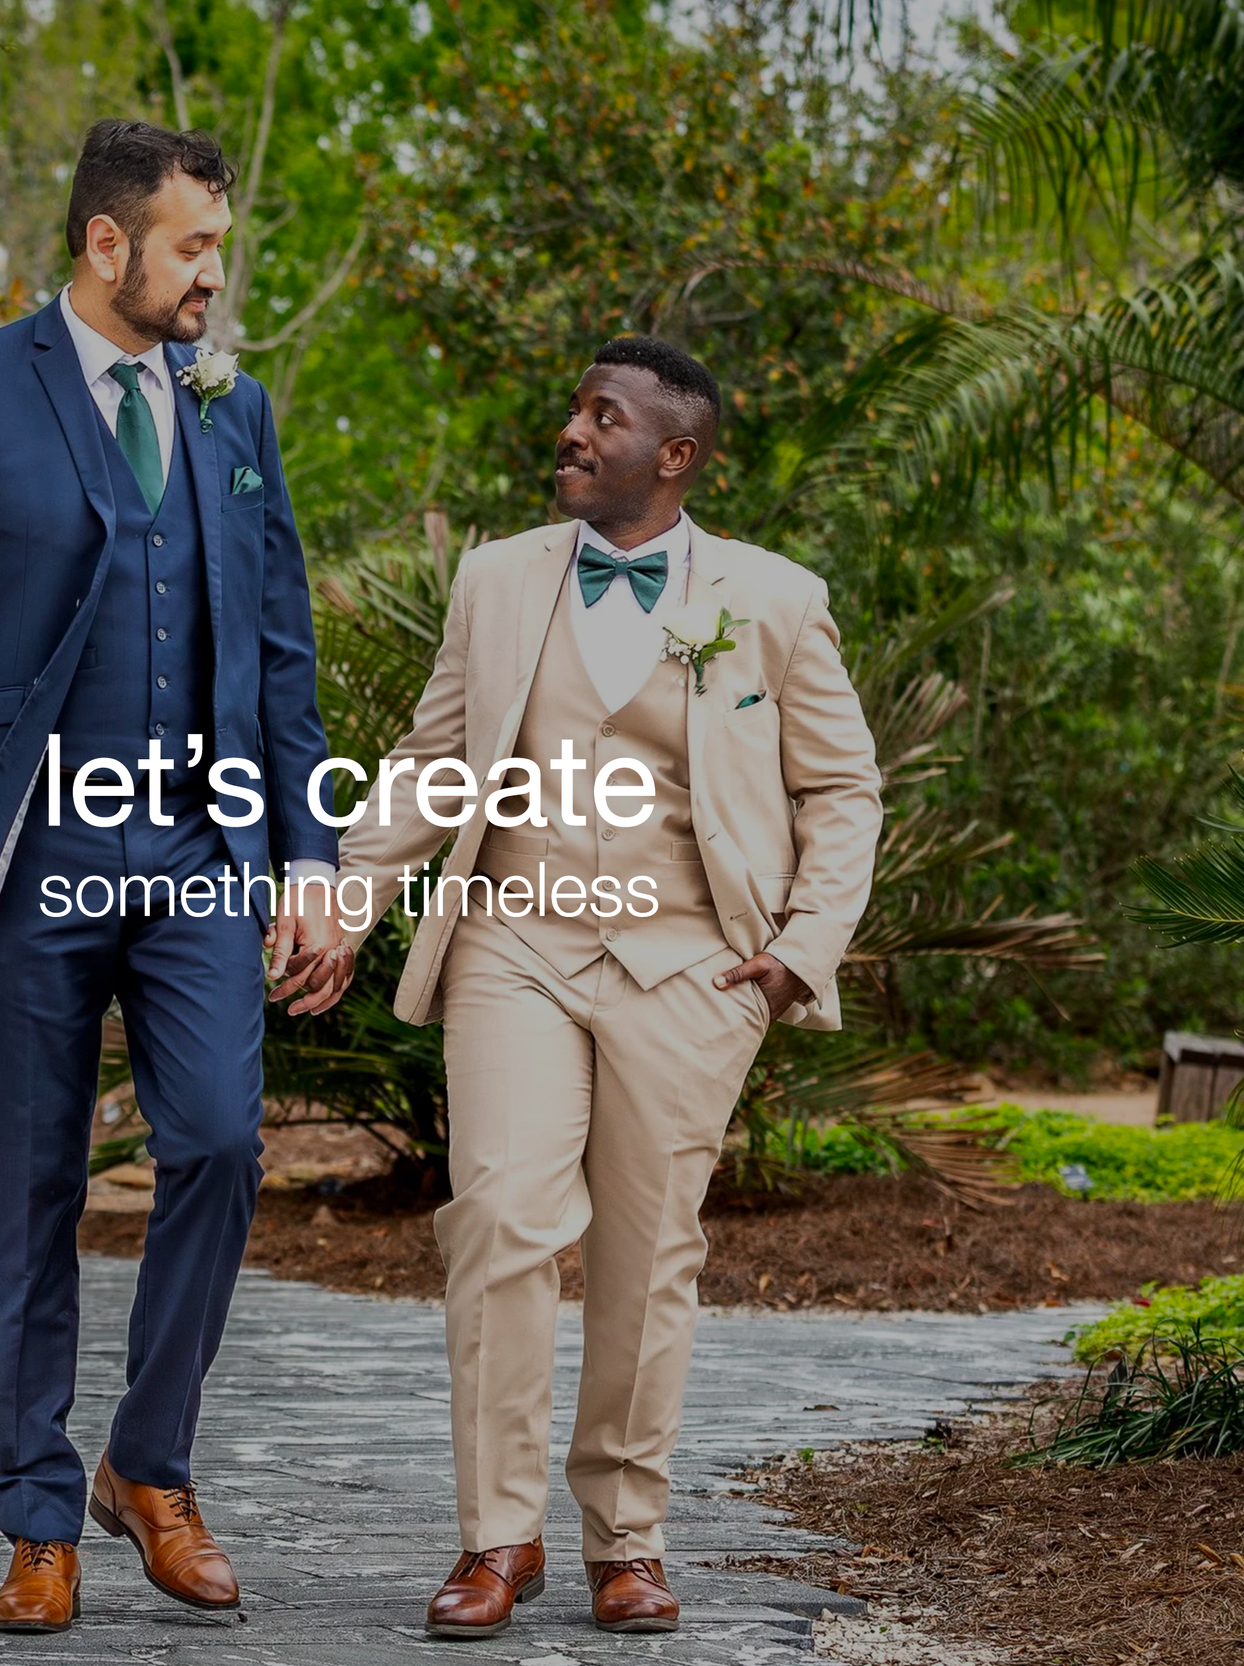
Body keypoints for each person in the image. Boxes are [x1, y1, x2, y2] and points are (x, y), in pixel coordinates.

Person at [0, 118, 348, 1635]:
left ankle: (149, 1463)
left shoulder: (234, 408)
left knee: (222, 1144)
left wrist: (310, 856)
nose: (214, 276)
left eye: (219, 247)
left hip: (198, 843)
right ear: (107, 243)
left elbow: (280, 652)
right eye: (193, 246)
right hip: (25, 850)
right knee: (32, 1189)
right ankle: (38, 1518)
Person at [334, 337, 883, 1637]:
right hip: (515, 941)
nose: (573, 431)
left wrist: (799, 949)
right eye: (577, 409)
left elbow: (842, 788)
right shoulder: (496, 578)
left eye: (605, 416)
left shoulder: (775, 599)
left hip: (693, 962)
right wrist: (349, 894)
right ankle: (496, 1536)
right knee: (500, 1216)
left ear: (675, 454)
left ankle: (626, 1540)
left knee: (649, 1254)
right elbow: (434, 757)